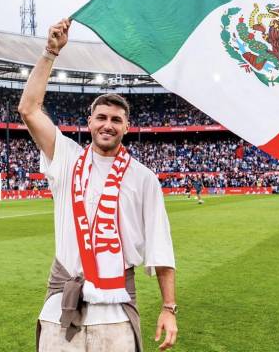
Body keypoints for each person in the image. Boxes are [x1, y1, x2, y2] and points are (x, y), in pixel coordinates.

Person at [18, 18, 178, 351]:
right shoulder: (67, 158)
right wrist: (50, 52)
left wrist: (168, 307)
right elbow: (29, 109)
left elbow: (161, 247)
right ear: (89, 122)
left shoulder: (144, 178)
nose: (108, 125)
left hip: (116, 313)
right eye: (101, 117)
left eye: (116, 119)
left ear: (127, 126)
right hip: (61, 308)